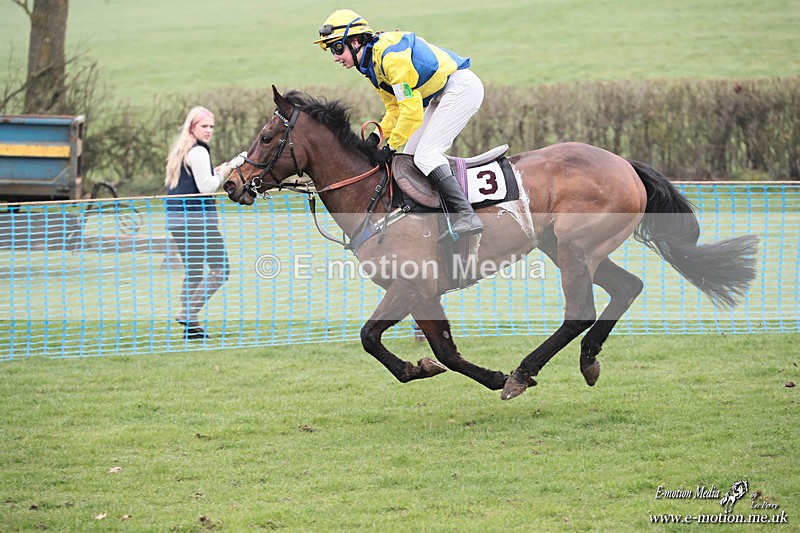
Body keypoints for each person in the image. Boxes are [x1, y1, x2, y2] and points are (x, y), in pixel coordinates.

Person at [314, 9, 484, 241]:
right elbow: (395, 109)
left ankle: (466, 214)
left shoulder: (390, 58)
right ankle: (435, 219)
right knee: (410, 158)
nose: (335, 57)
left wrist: (390, 147)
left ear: (354, 42)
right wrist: (377, 137)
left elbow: (411, 112)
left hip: (461, 89)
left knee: (426, 156)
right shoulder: (371, 66)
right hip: (440, 94)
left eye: (336, 48)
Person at [165, 106, 233, 340]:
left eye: (211, 126)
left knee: (194, 271)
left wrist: (215, 171)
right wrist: (224, 172)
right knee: (221, 269)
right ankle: (188, 313)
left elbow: (194, 182)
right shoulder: (199, 151)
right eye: (204, 126)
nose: (209, 130)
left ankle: (191, 330)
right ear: (192, 127)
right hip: (196, 220)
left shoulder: (180, 151)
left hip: (176, 220)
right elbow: (206, 188)